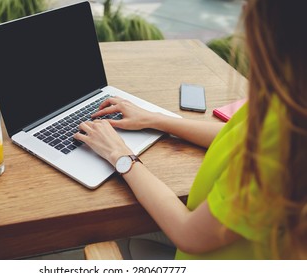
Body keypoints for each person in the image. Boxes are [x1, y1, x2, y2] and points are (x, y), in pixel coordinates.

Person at [74, 0, 307, 259]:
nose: (243, 8)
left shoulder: (287, 132)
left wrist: (120, 156)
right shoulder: (292, 95)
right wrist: (158, 120)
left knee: (106, 229)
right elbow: (237, 137)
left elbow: (188, 234)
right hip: (216, 229)